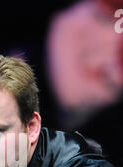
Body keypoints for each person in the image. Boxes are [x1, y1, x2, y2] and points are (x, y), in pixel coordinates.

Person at [46, 0, 123, 130]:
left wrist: (101, 75)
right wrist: (113, 80)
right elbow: (72, 97)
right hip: (91, 126)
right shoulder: (70, 23)